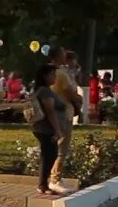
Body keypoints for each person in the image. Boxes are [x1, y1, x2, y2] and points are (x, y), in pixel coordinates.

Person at [30, 64, 69, 195]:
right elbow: (50, 111)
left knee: (47, 156)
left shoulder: (40, 90)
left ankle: (43, 184)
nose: (55, 77)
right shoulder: (45, 91)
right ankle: (42, 185)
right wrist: (57, 130)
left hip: (42, 128)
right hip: (46, 129)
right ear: (45, 76)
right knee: (50, 156)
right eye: (53, 74)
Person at [49, 48, 83, 189]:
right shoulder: (62, 74)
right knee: (62, 147)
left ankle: (54, 177)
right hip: (63, 113)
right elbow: (71, 93)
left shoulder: (48, 72)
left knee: (54, 147)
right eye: (63, 55)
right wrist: (78, 99)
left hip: (52, 112)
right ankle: (55, 180)